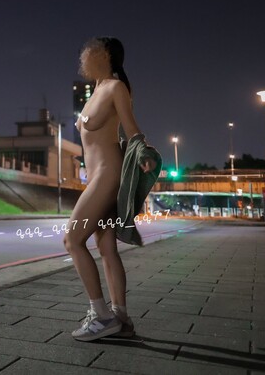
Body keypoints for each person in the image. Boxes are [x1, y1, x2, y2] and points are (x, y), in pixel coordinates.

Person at [65, 36, 156, 341]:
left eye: (87, 53)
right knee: (106, 248)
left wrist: (143, 154)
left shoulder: (116, 88)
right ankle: (121, 319)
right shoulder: (95, 91)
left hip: (108, 174)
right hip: (96, 177)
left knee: (72, 239)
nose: (82, 58)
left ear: (104, 55)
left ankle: (101, 315)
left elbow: (131, 129)